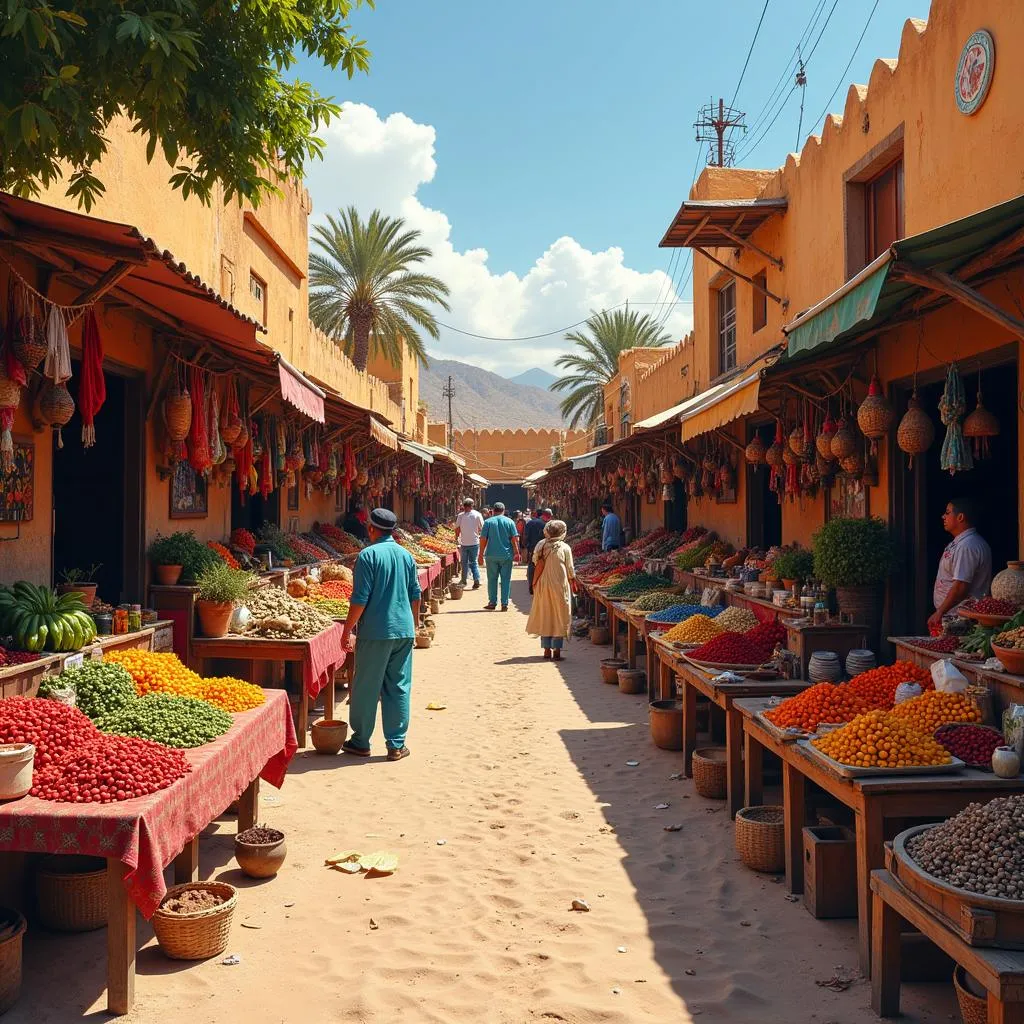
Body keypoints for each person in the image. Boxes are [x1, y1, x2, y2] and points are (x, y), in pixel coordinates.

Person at [340, 508, 421, 761]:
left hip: (376, 631)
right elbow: (415, 594)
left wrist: (347, 629)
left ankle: (361, 741)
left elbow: (360, 599)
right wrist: (414, 625)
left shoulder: (367, 555)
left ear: (371, 529)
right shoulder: (406, 555)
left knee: (366, 686)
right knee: (398, 686)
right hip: (403, 630)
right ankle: (396, 745)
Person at [928, 497, 993, 632]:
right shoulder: (961, 542)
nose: (943, 516)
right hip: (952, 614)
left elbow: (961, 587)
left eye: (947, 512)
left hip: (959, 619)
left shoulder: (968, 545)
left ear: (960, 517)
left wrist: (940, 612)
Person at [526, 519, 576, 661]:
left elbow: (535, 561)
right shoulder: (565, 548)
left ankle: (546, 650)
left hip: (543, 584)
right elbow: (570, 569)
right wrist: (573, 580)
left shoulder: (541, 545)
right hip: (560, 585)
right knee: (560, 615)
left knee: (545, 615)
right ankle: (557, 651)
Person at [478, 501, 520, 610]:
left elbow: (483, 539)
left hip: (491, 555)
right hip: (506, 555)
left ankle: (492, 602)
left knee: (492, 579)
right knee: (506, 579)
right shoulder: (510, 522)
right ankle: (504, 603)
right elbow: (514, 539)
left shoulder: (488, 522)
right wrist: (517, 553)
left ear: (493, 510)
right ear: (504, 510)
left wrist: (480, 554)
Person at [455, 497, 484, 589]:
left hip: (464, 543)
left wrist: (456, 538)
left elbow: (457, 529)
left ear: (464, 506)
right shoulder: (477, 515)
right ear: (472, 505)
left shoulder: (461, 516)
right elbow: (482, 528)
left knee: (464, 563)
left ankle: (464, 581)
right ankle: (476, 580)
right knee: (473, 562)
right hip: (474, 542)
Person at [522, 508, 548, 594]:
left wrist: (524, 546)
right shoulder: (546, 524)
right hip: (545, 548)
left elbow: (525, 536)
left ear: (536, 514)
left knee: (532, 566)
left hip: (532, 548)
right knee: (544, 566)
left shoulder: (530, 523)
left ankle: (531, 586)